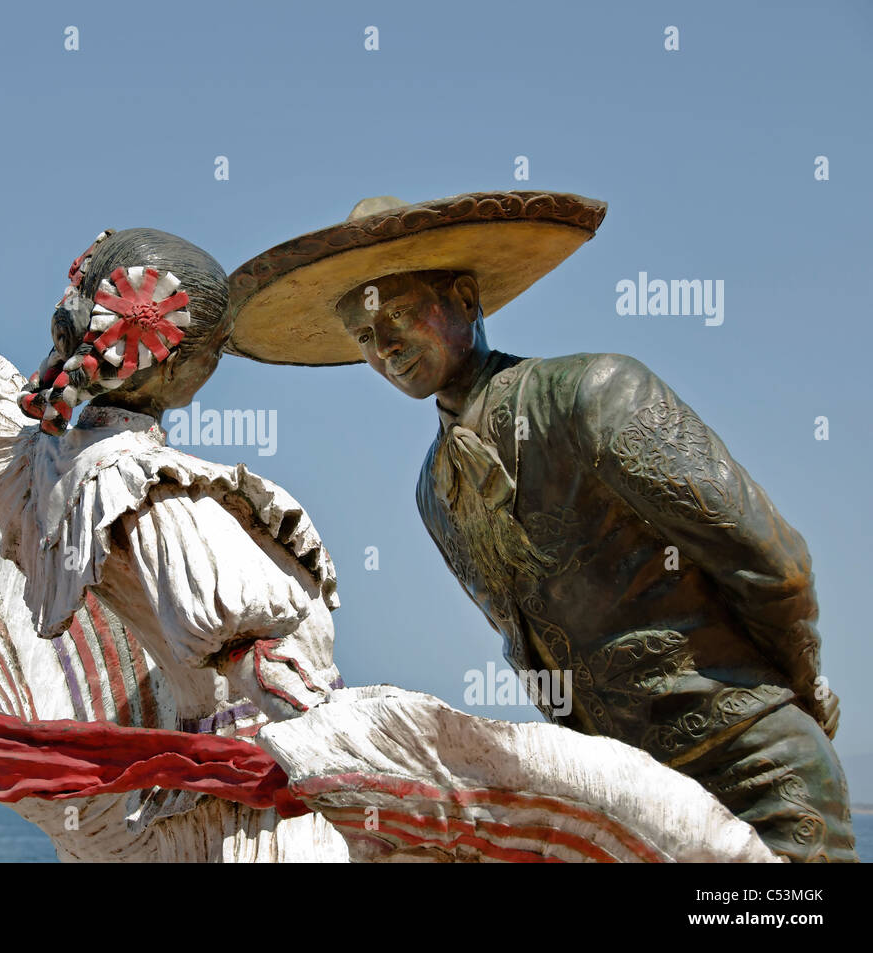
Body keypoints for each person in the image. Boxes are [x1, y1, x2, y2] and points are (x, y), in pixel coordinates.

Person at [225, 190, 856, 861]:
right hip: (622, 804)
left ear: (465, 299)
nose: (385, 348)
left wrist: (802, 690)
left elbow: (774, 563)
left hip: (751, 771)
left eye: (400, 315)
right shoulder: (434, 492)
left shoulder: (596, 393)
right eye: (365, 336)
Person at [0, 227, 344, 749]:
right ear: (175, 364)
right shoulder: (155, 493)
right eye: (217, 350)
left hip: (198, 777)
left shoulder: (37, 460)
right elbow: (267, 676)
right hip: (266, 780)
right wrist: (373, 762)